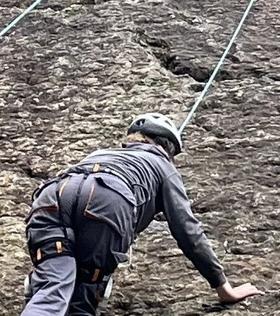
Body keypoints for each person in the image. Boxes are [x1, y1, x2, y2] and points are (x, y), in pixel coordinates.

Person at [20, 113, 261, 315]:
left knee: (52, 288)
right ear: (168, 148)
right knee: (86, 289)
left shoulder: (101, 153)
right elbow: (188, 230)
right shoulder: (163, 167)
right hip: (108, 200)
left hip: (53, 194)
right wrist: (222, 287)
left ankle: (43, 290)